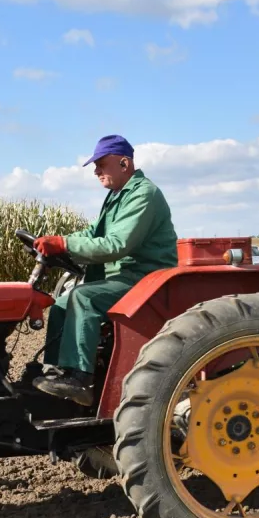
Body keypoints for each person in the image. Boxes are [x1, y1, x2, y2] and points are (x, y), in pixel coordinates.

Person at [32, 135, 178, 405]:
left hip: (145, 278)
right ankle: (54, 371)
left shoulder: (144, 194)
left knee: (83, 297)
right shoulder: (116, 196)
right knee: (61, 303)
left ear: (124, 163)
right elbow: (94, 232)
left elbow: (116, 244)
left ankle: (81, 379)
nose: (97, 171)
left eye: (101, 164)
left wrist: (65, 244)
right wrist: (60, 244)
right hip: (123, 277)